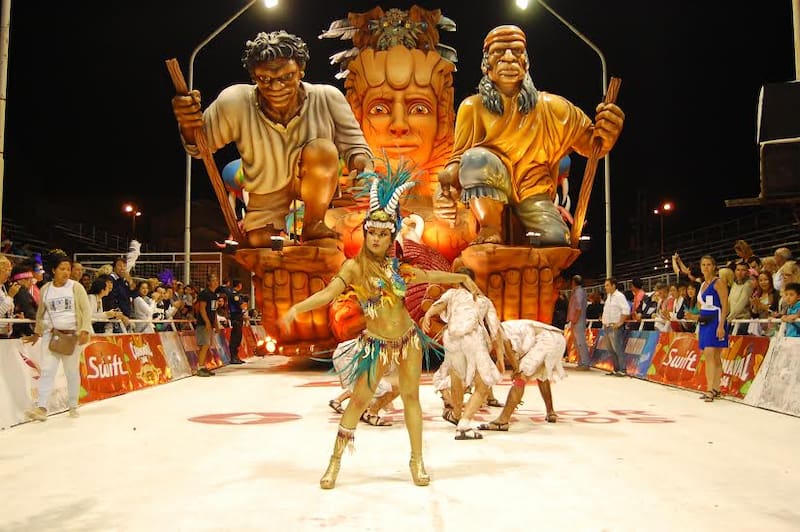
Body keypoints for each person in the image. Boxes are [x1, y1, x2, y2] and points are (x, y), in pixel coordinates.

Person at [280, 164, 481, 489]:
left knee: (411, 399)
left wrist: (459, 278)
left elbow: (430, 277)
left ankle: (417, 461)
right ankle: (334, 462)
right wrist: (297, 308)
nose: (376, 237)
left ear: (391, 235)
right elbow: (329, 293)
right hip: (374, 346)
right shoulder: (354, 267)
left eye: (383, 233)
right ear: (365, 234)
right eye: (371, 232)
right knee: (359, 401)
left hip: (409, 342)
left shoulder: (399, 268)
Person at [171, 30, 374, 247]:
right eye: (265, 79)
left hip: (315, 184)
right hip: (266, 192)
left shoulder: (327, 98)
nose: (276, 87)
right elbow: (201, 146)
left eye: (286, 77)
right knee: (261, 241)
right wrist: (187, 122)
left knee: (323, 150)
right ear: (253, 77)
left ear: (301, 71)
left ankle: (314, 223)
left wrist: (365, 169)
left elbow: (355, 147)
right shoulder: (235, 102)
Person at [434, 25, 625, 246]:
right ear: (486, 64)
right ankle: (490, 227)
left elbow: (593, 145)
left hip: (534, 192)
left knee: (556, 241)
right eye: (499, 52)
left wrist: (608, 132)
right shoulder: (473, 107)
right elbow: (458, 161)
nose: (508, 58)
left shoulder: (552, 108)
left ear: (526, 61)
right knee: (475, 159)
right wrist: (444, 187)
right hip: (490, 192)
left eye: (516, 52)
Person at [421, 267, 505, 440]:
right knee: (483, 386)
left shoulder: (452, 294)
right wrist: (501, 357)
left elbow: (438, 306)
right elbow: (496, 330)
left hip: (451, 340)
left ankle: (457, 414)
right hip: (472, 340)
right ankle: (464, 425)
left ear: (457, 280)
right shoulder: (484, 300)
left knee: (456, 376)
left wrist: (429, 314)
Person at [23, 252, 92, 420]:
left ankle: (73, 406)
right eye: (62, 269)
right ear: (53, 270)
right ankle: (42, 408)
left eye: (68, 269)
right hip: (52, 335)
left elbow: (86, 310)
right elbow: (41, 314)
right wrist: (37, 333)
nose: (66, 272)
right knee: (47, 371)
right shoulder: (46, 289)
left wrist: (84, 330)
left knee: (71, 372)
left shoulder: (76, 287)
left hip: (72, 336)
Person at [478, 319, 566, 430]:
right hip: (558, 340)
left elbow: (509, 347)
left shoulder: (499, 331)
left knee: (521, 377)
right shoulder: (505, 328)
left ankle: (503, 421)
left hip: (547, 340)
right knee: (541, 374)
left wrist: (516, 369)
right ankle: (550, 412)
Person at [697, 255, 729, 402]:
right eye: (703, 265)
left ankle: (710, 389)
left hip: (716, 321)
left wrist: (721, 325)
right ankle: (715, 388)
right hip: (705, 322)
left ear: (714, 266)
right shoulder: (703, 284)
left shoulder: (718, 283)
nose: (706, 267)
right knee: (712, 356)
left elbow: (725, 305)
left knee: (711, 354)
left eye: (709, 264)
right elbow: (701, 305)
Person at [601, 278, 630, 376]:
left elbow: (626, 309)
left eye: (607, 285)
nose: (605, 287)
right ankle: (616, 368)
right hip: (607, 326)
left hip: (615, 326)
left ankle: (622, 369)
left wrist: (620, 322)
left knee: (618, 347)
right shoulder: (608, 297)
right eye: (605, 285)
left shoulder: (619, 296)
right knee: (610, 349)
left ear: (613, 285)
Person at [195, 274, 220, 377]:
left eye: (216, 280)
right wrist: (207, 322)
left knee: (206, 345)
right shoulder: (204, 293)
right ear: (208, 282)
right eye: (213, 280)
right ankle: (200, 368)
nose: (215, 282)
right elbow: (202, 309)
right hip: (203, 324)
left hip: (210, 324)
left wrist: (216, 324)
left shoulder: (214, 295)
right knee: (204, 345)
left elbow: (213, 311)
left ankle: (203, 366)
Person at [567, 274, 590, 370]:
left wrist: (575, 319)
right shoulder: (577, 291)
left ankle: (585, 363)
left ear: (574, 282)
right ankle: (581, 362)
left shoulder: (579, 292)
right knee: (577, 343)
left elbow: (579, 307)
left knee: (581, 342)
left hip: (578, 320)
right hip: (576, 320)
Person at [225, 279, 246, 364]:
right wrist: (244, 304)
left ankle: (236, 357)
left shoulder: (234, 294)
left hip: (238, 317)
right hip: (236, 317)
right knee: (235, 337)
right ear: (239, 285)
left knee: (238, 337)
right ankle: (233, 357)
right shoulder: (234, 294)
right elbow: (241, 306)